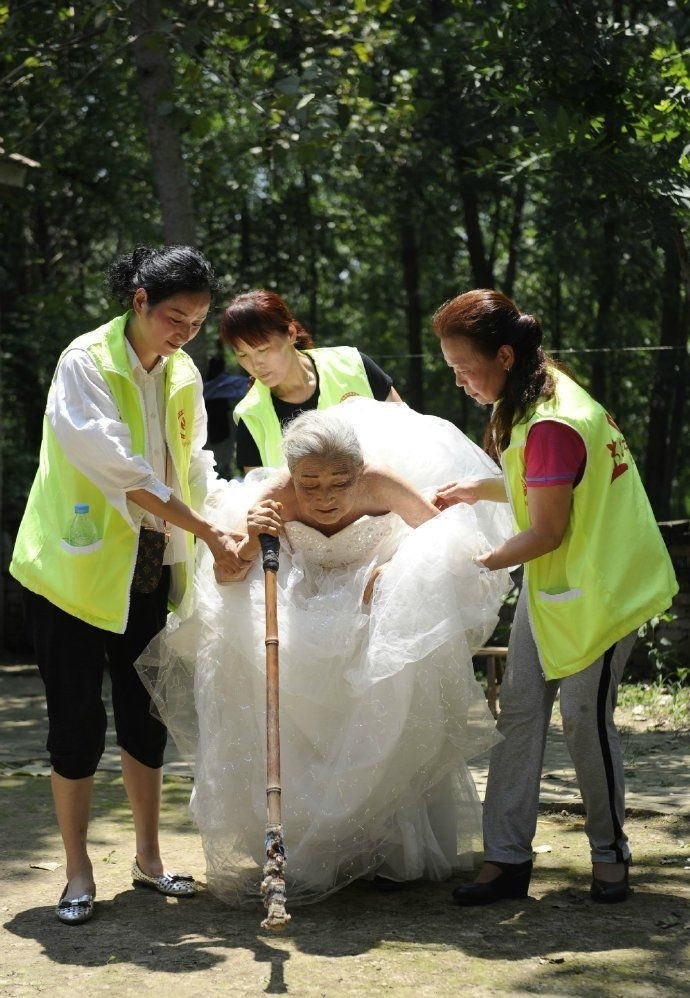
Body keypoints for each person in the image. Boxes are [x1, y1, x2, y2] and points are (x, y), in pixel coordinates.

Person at [136, 400, 514, 904]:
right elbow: (229, 573)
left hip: (375, 601)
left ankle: (388, 845)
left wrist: (394, 571)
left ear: (359, 471)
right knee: (276, 672)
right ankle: (304, 847)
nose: (324, 496)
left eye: (340, 482)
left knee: (388, 683)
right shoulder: (278, 495)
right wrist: (255, 536)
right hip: (302, 600)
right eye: (309, 483)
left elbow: (444, 541)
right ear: (292, 475)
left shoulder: (381, 482)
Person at [10, 245, 247, 925]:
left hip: (149, 566)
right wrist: (206, 529)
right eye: (176, 317)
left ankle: (149, 857)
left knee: (147, 716)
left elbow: (194, 460)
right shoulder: (84, 361)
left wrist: (225, 524)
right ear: (138, 299)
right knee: (77, 721)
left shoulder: (182, 374)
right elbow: (123, 472)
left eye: (198, 323)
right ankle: (78, 871)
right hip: (72, 572)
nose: (184, 333)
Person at [431, 289, 678, 906]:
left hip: (605, 589)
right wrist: (477, 489)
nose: (459, 381)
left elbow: (546, 528)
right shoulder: (533, 396)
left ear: (506, 355)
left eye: (465, 368)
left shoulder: (550, 420)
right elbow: (538, 484)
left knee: (584, 723)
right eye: (451, 369)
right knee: (517, 714)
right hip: (558, 585)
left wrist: (476, 562)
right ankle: (506, 860)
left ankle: (608, 853)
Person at [220, 289, 402, 472]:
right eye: (242, 354)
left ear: (290, 333)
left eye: (263, 350)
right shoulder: (251, 415)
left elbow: (408, 431)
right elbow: (259, 491)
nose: (255, 364)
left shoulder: (353, 365)